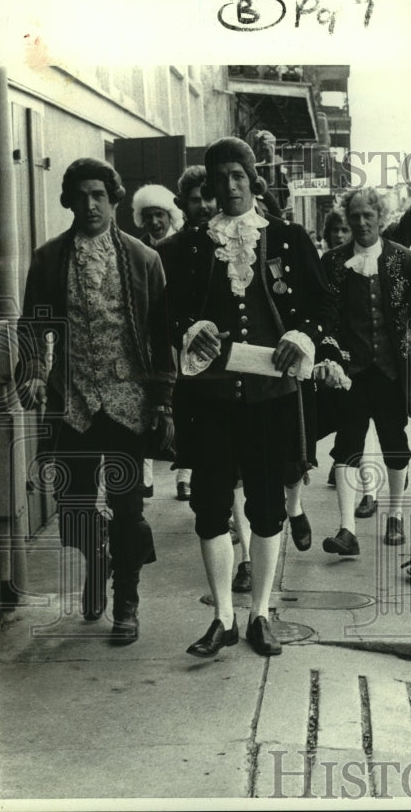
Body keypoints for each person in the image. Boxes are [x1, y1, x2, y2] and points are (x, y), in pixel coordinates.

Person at [163, 137, 346, 657]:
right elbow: (169, 310)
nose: (230, 185)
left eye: (238, 175)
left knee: (267, 508)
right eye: (220, 178)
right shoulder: (193, 245)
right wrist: (188, 327)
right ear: (212, 185)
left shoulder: (286, 237)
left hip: (272, 396)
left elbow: (323, 304)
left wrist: (302, 334)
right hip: (212, 399)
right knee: (210, 505)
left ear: (253, 178)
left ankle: (261, 614)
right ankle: (222, 616)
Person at [17, 158, 174, 644]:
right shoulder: (48, 259)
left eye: (99, 196)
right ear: (67, 200)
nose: (89, 205)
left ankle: (126, 598)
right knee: (73, 508)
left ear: (114, 199)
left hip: (128, 402)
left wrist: (164, 398)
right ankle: (97, 560)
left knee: (127, 510)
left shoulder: (143, 260)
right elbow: (32, 327)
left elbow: (162, 333)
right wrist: (34, 374)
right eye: (80, 195)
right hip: (74, 402)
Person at [318, 187, 411, 556]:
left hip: (391, 372)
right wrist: (325, 355)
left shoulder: (401, 259)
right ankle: (346, 529)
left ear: (380, 218)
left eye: (367, 216)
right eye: (353, 217)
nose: (360, 223)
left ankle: (396, 516)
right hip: (349, 374)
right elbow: (322, 313)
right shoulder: (333, 262)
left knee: (395, 445)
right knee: (346, 447)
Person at [166, 166, 253, 593]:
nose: (203, 206)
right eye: (194, 199)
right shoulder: (172, 251)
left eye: (208, 197)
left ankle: (249, 558)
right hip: (195, 383)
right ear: (183, 203)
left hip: (244, 381)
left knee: (243, 478)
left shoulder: (238, 242)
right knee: (213, 482)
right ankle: (227, 546)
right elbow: (162, 316)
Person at [132, 183, 185, 499]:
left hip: (180, 335)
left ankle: (185, 475)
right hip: (150, 336)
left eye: (160, 215)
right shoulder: (138, 252)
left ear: (170, 215)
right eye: (148, 216)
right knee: (148, 405)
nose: (154, 222)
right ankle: (145, 477)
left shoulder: (181, 247)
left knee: (183, 406)